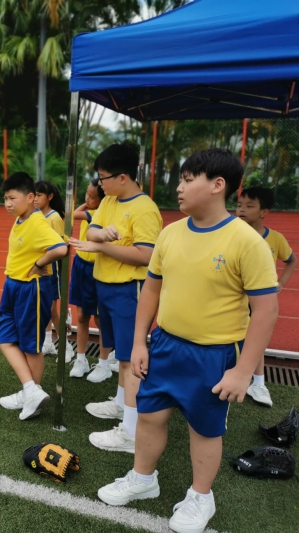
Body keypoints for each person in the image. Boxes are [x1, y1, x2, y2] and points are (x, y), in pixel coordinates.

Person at [97, 149, 278, 533]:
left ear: (217, 185)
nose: (179, 188)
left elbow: (266, 311)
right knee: (149, 416)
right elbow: (151, 290)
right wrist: (140, 343)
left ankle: (201, 496)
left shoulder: (247, 241)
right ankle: (143, 478)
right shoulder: (170, 233)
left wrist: (243, 372)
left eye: (188, 179)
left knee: (204, 429)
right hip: (165, 345)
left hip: (214, 354)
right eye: (180, 179)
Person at [69, 141, 162, 453]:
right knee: (121, 358)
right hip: (105, 286)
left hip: (128, 291)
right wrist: (102, 235)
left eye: (103, 177)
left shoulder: (145, 209)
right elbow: (91, 231)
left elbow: (146, 255)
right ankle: (122, 405)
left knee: (130, 359)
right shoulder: (109, 201)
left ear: (123, 177)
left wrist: (102, 246)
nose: (99, 183)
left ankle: (132, 433)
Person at [0, 172, 68, 420]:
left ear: (30, 198)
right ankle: (30, 391)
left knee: (30, 346)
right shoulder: (21, 219)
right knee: (5, 338)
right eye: (5, 198)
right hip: (13, 284)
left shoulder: (38, 222)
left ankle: (32, 395)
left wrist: (39, 263)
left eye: (12, 198)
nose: (7, 203)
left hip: (31, 288)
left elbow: (61, 248)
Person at [236, 186, 296, 407]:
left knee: (256, 336)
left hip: (257, 299)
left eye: (249, 206)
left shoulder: (275, 239)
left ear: (264, 212)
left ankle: (258, 383)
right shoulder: (230, 234)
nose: (241, 210)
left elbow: (291, 260)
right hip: (232, 297)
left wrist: (281, 282)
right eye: (239, 205)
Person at [69, 181, 117, 382]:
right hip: (81, 265)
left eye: (91, 196)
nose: (87, 199)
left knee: (99, 319)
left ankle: (104, 363)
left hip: (96, 269)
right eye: (86, 195)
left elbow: (72, 214)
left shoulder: (95, 214)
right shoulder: (91, 210)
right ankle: (81, 359)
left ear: (102, 200)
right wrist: (88, 201)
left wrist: (89, 205)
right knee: (81, 315)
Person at [33, 181, 74, 363]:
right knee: (44, 309)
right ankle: (48, 342)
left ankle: (66, 346)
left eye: (39, 195)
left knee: (52, 310)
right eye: (34, 195)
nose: (35, 199)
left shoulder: (54, 217)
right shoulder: (36, 215)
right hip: (40, 268)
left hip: (52, 269)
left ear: (49, 197)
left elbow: (62, 246)